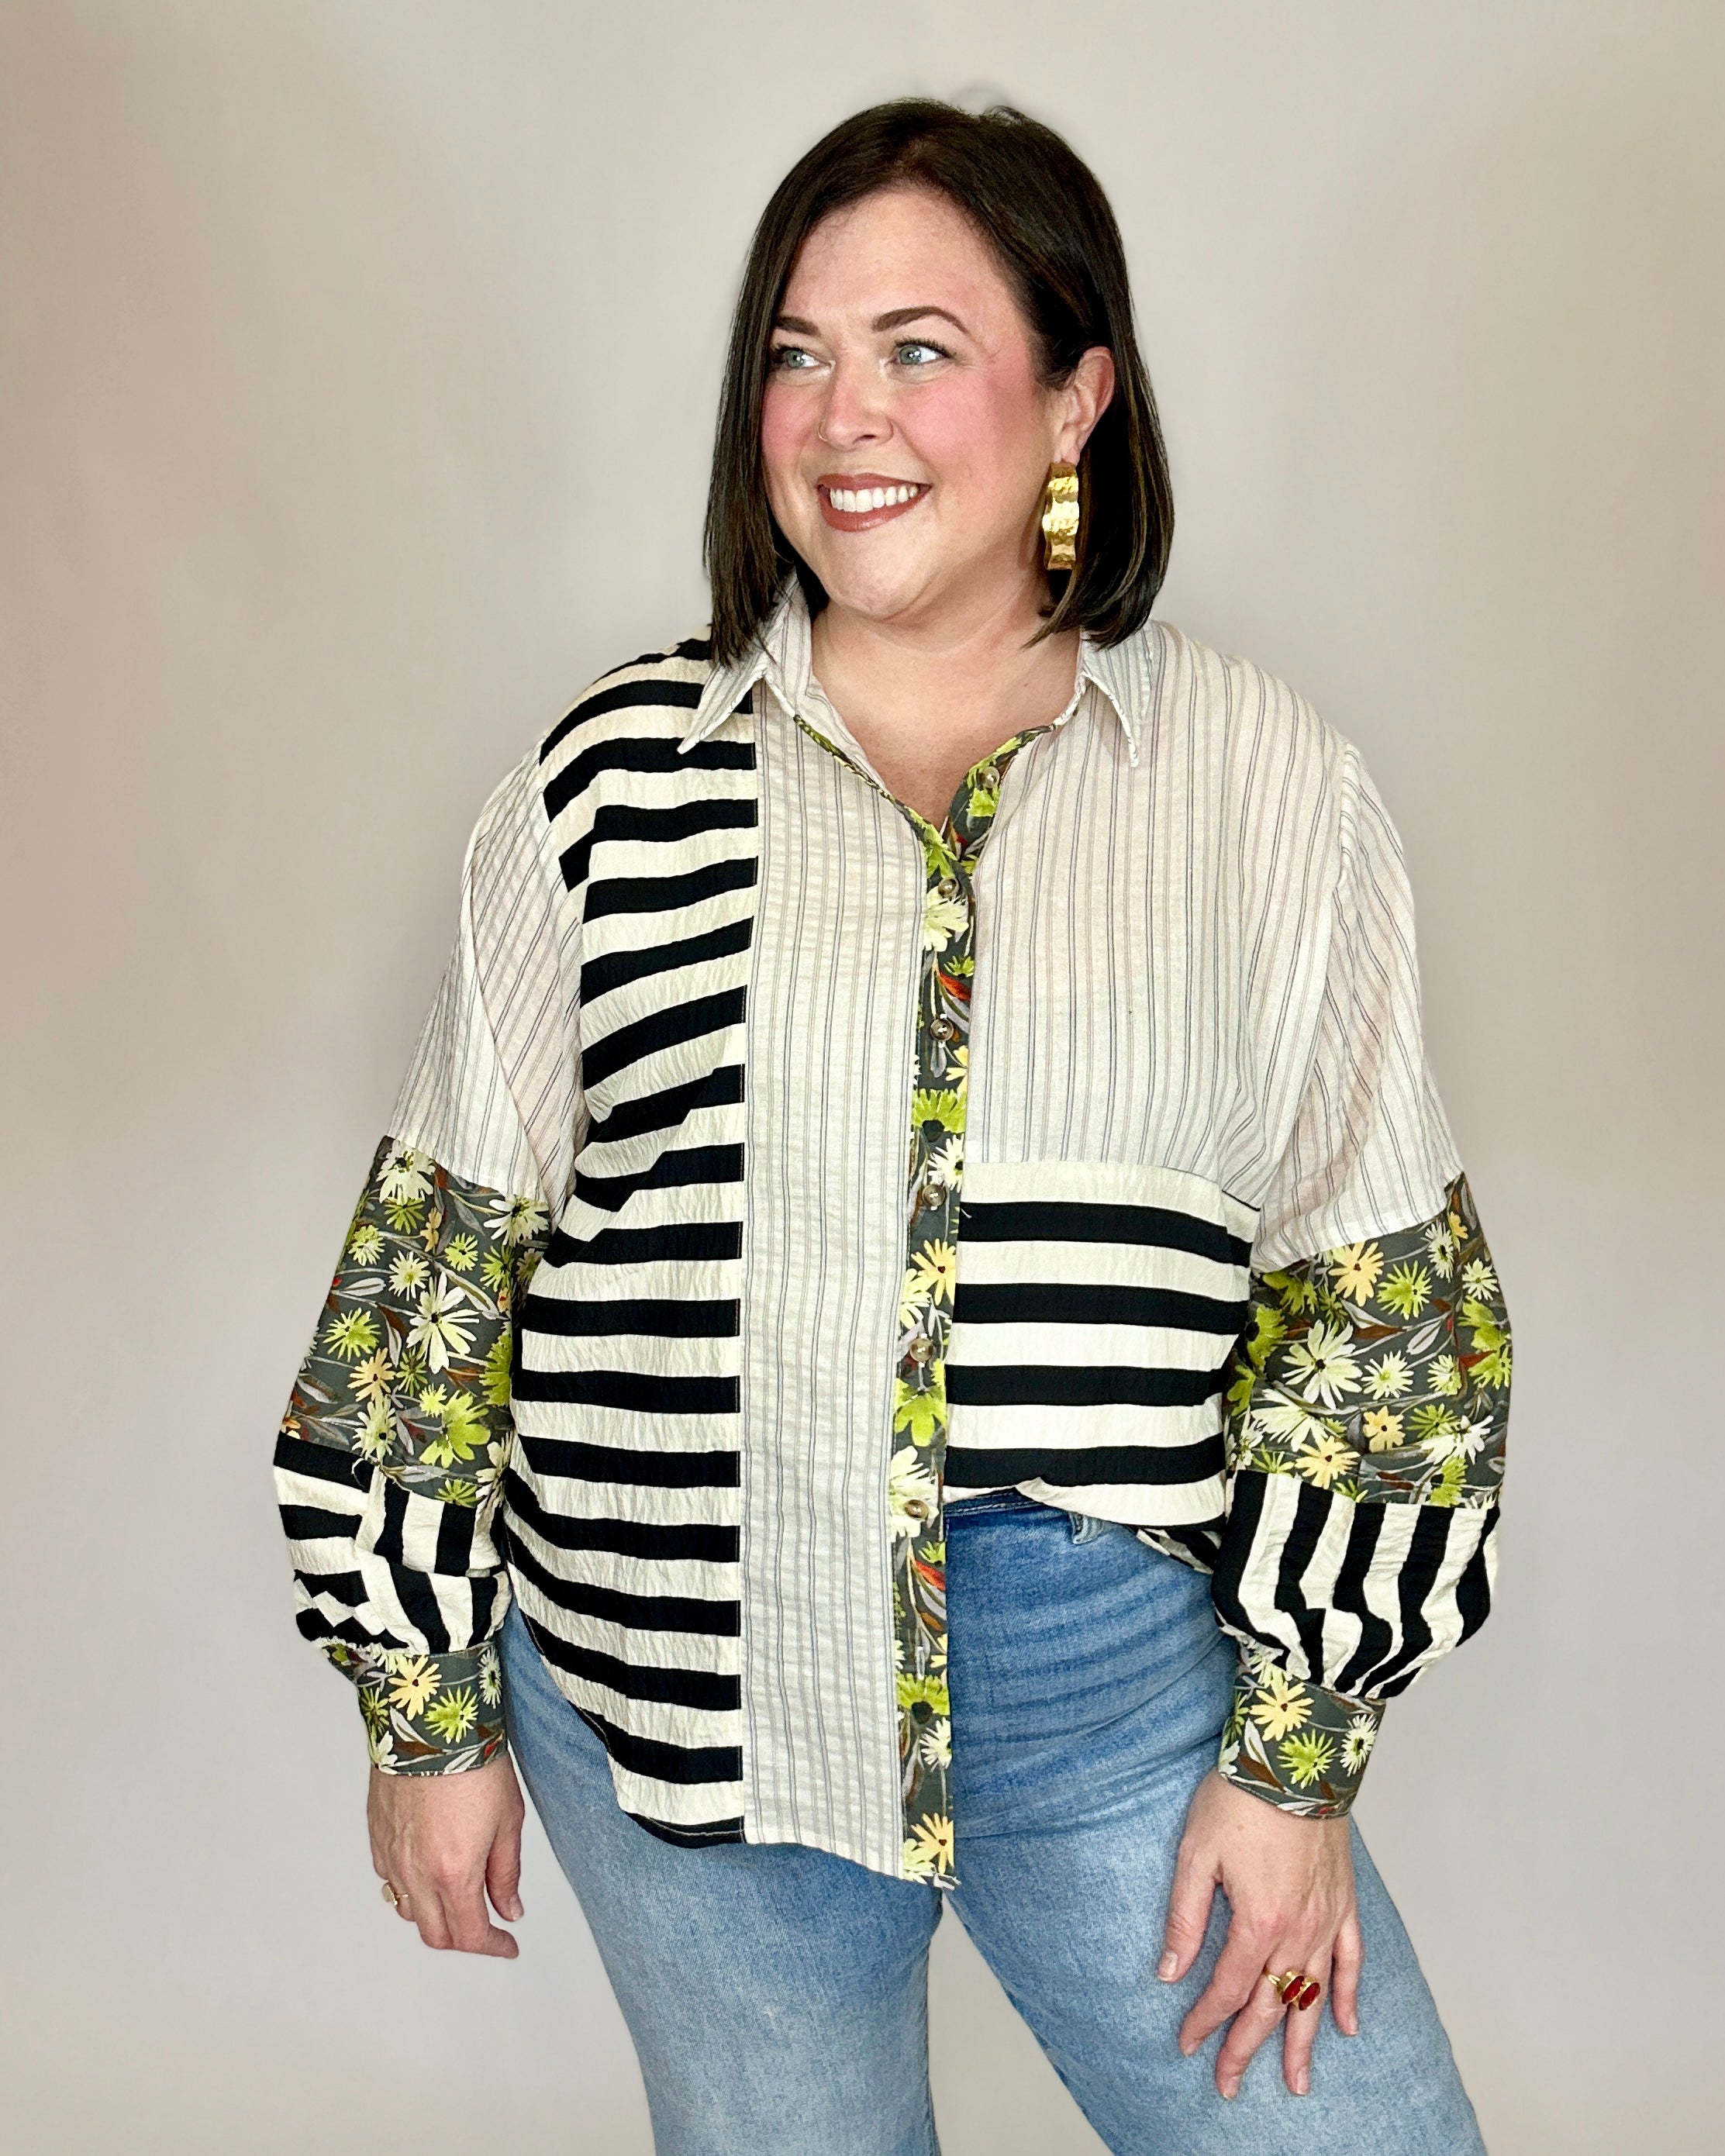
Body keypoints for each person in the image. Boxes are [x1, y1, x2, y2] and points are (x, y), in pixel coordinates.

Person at [274, 98, 1509, 2156]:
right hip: (670, 1683)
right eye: (796, 352)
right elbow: (430, 1278)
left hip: (1103, 1684)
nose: (842, 415)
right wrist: (423, 1710)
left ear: (1076, 395)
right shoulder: (613, 780)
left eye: (919, 348)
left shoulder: (1261, 785)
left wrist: (1291, 1762)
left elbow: (1382, 1311)